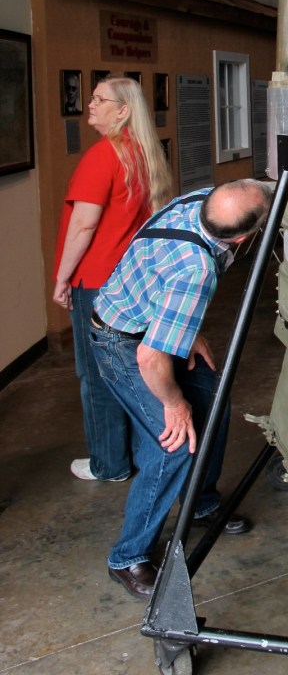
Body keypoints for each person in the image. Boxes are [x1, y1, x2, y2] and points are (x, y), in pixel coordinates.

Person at [89, 178, 273, 599]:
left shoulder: (201, 199)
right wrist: (175, 404)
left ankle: (202, 501)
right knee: (174, 442)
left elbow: (160, 272)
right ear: (245, 238)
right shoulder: (197, 270)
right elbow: (150, 359)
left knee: (213, 394)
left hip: (150, 323)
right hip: (124, 343)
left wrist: (184, 331)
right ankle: (128, 557)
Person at [53, 77, 172, 482]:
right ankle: (143, 454)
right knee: (131, 369)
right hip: (133, 282)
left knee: (97, 375)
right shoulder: (142, 155)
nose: (90, 104)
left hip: (96, 281)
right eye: (91, 97)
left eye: (100, 99)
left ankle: (109, 463)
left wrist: (61, 278)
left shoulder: (102, 156)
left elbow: (83, 228)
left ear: (122, 111)